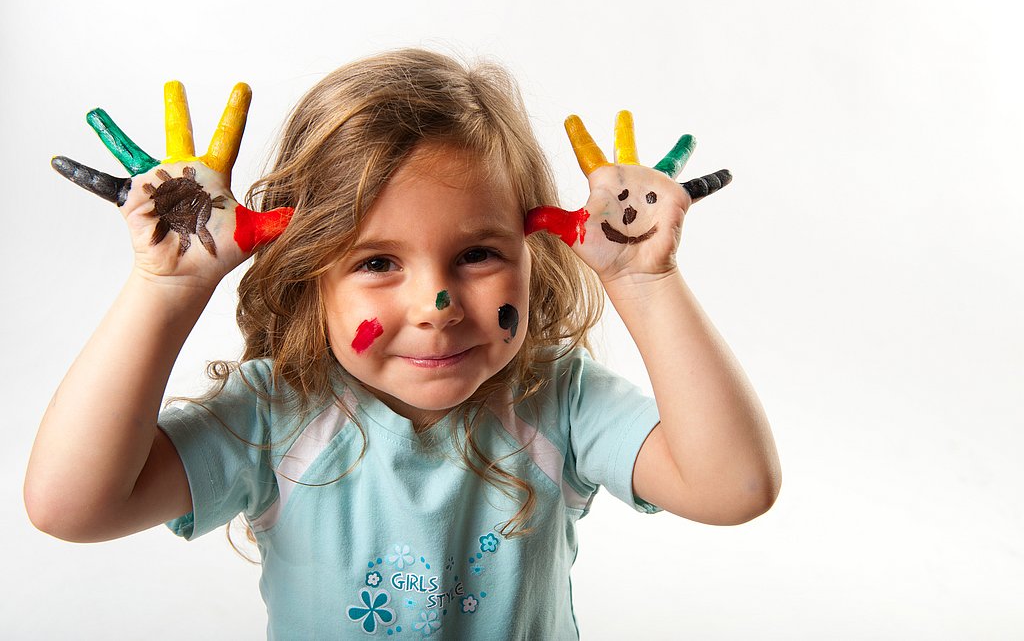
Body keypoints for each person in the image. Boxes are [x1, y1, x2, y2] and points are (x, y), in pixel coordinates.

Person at [25, 48, 780, 639]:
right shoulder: (275, 416)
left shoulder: (557, 399)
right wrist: (165, 290)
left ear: (533, 251)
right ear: (311, 274)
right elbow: (70, 505)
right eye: (378, 262)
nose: (436, 307)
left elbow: (736, 487)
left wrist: (646, 282)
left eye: (477, 254)